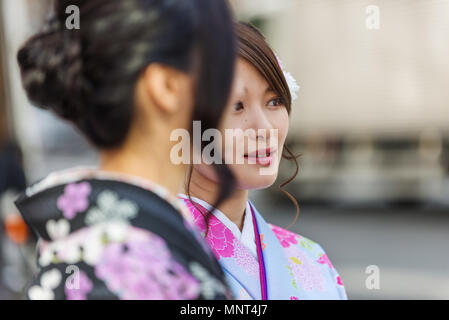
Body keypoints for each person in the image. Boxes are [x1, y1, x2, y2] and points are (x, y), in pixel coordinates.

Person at [15, 0, 237, 300]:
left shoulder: (102, 248)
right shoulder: (129, 272)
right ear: (166, 86)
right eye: (223, 65)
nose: (232, 88)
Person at [180, 22, 348, 300]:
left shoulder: (310, 258)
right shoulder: (146, 257)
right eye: (236, 106)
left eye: (274, 101)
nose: (264, 127)